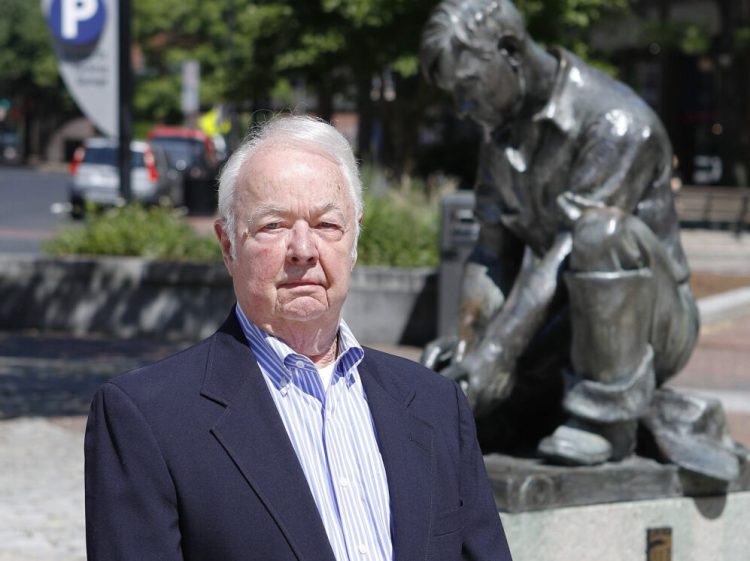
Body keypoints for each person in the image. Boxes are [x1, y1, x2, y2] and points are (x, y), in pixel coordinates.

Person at [84, 115, 513, 561]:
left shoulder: (436, 405)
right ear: (228, 246)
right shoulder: (148, 418)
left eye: (327, 225)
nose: (303, 250)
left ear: (355, 240)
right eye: (273, 226)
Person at [419, 0, 705, 468]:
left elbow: (572, 245)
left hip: (653, 324)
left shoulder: (616, 123)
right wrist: (469, 347)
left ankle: (606, 419)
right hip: (561, 317)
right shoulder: (500, 135)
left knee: (599, 232)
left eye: (467, 87)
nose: (463, 109)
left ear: (510, 50)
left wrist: (500, 351)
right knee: (473, 411)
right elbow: (492, 250)